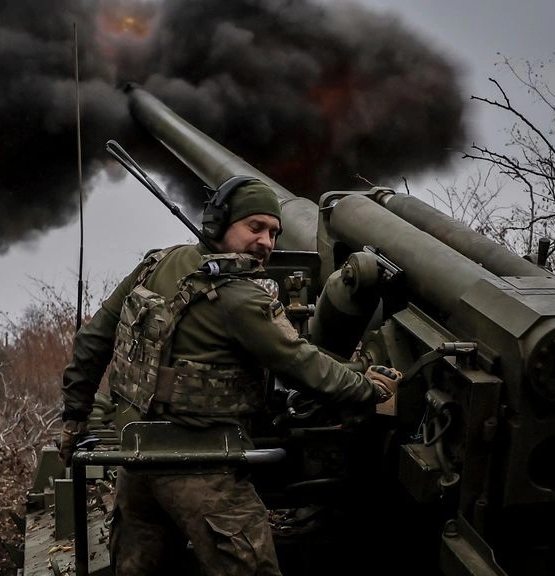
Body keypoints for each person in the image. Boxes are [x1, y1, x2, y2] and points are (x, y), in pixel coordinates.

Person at [58, 176, 402, 576]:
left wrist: (75, 416)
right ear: (218, 225)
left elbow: (92, 339)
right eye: (254, 228)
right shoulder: (241, 297)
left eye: (274, 233)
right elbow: (303, 367)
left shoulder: (156, 263)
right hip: (204, 469)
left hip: (137, 459)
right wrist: (368, 388)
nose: (266, 243)